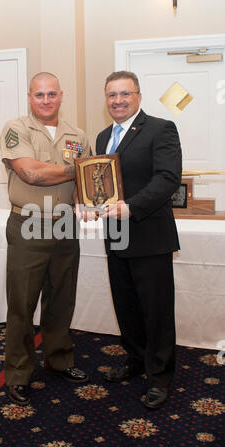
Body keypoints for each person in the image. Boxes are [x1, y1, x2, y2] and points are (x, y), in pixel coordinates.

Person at [0, 72, 90, 406]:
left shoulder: (77, 134)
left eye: (52, 94)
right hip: (28, 223)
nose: (47, 100)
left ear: (62, 96)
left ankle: (60, 360)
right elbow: (30, 173)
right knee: (22, 303)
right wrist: (75, 169)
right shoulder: (16, 129)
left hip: (65, 224)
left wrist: (93, 197)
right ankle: (19, 373)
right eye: (40, 95)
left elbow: (87, 181)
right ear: (29, 97)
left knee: (62, 297)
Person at [96, 71, 182, 409]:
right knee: (126, 306)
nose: (118, 100)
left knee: (156, 310)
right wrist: (89, 204)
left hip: (149, 234)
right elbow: (100, 183)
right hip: (115, 235)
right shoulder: (103, 136)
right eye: (111, 95)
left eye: (124, 94)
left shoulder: (160, 129)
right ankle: (136, 361)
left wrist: (131, 207)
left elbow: (167, 179)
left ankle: (160, 376)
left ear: (138, 96)